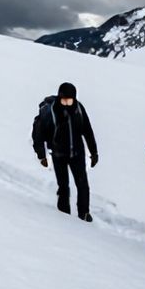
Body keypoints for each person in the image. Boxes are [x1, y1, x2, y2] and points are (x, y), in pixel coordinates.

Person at [32, 82, 99, 221]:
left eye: (69, 100)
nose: (67, 104)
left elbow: (87, 131)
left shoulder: (79, 109)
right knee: (63, 186)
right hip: (59, 154)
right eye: (64, 100)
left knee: (83, 185)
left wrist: (94, 152)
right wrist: (41, 156)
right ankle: (64, 215)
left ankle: (84, 213)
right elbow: (39, 135)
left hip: (77, 153)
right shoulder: (51, 112)